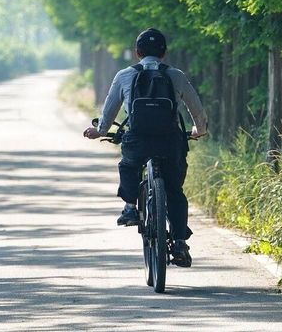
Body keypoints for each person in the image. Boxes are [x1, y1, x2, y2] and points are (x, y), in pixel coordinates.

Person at [83, 28, 208, 267]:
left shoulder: (124, 75)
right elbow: (196, 108)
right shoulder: (176, 75)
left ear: (137, 53)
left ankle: (130, 207)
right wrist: (198, 130)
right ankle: (180, 242)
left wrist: (99, 130)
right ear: (164, 52)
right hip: (170, 140)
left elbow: (109, 110)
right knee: (174, 191)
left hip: (138, 139)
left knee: (129, 164)